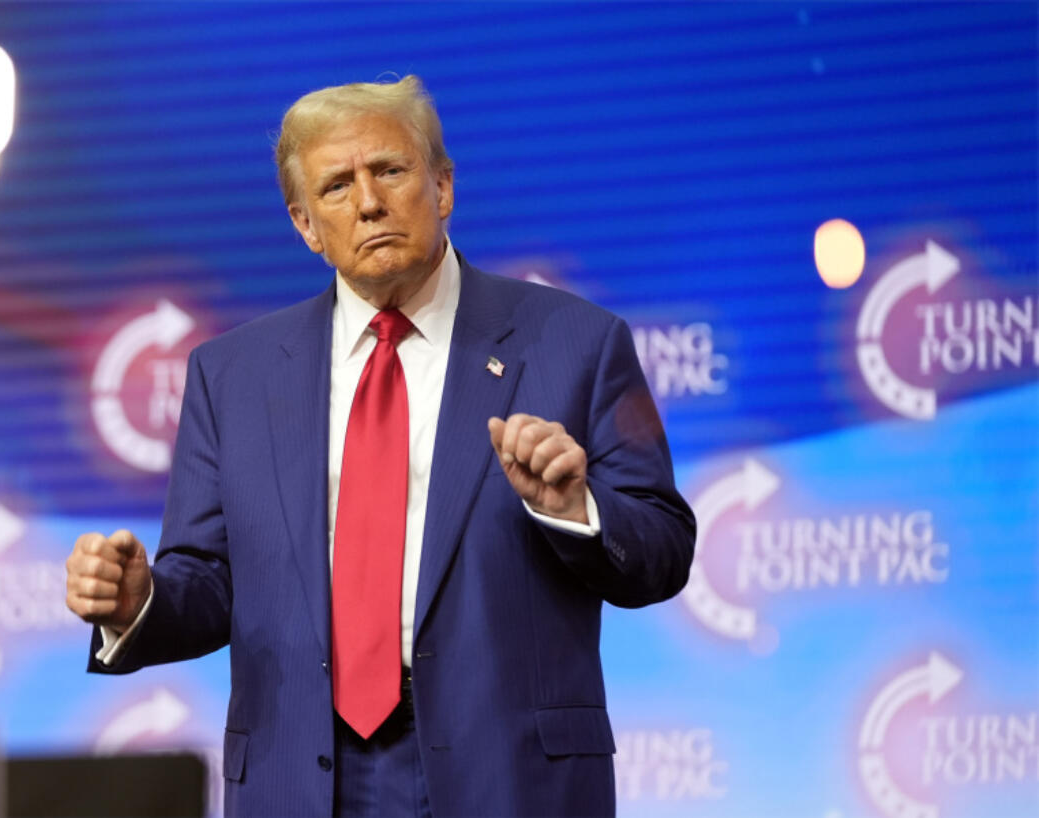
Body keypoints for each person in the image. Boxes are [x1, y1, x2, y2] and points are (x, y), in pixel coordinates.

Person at [66, 76, 695, 818]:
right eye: (336, 186)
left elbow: (662, 549)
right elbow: (208, 580)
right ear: (306, 224)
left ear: (443, 185)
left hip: (510, 780)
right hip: (300, 779)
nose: (367, 201)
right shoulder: (231, 375)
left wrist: (573, 508)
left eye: (389, 171)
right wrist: (140, 602)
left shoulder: (575, 343)